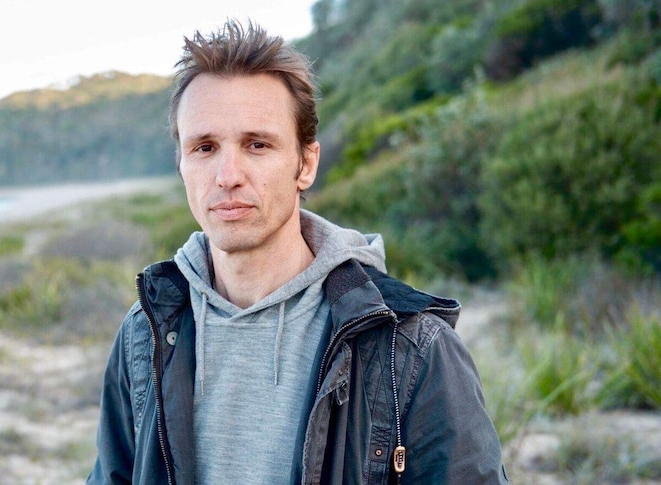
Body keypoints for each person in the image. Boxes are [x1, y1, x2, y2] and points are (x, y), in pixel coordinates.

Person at [86, 19, 509, 485]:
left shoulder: (407, 346)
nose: (228, 174)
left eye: (257, 144)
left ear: (306, 163)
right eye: (205, 147)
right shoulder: (144, 333)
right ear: (182, 164)